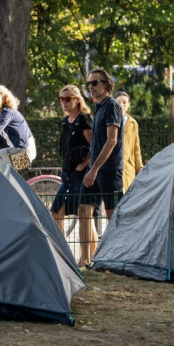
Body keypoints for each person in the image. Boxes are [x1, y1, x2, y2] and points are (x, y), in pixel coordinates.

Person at [77, 68, 124, 267]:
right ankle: (86, 258)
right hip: (95, 169)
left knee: (112, 215)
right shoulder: (100, 107)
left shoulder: (112, 105)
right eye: (89, 84)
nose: (91, 87)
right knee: (83, 208)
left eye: (95, 83)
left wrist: (94, 168)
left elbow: (112, 141)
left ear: (106, 84)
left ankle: (117, 258)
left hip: (109, 170)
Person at [50, 85, 92, 235]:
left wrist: (83, 165)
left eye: (67, 99)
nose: (63, 102)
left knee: (84, 216)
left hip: (81, 175)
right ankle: (63, 252)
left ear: (77, 100)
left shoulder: (84, 119)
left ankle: (88, 256)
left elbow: (94, 147)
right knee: (55, 212)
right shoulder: (66, 121)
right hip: (67, 174)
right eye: (61, 99)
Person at [114, 91, 143, 193]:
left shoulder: (133, 123)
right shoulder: (110, 120)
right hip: (113, 164)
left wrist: (139, 166)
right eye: (118, 102)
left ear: (128, 105)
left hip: (128, 165)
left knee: (128, 195)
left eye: (124, 102)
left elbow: (136, 146)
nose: (121, 105)